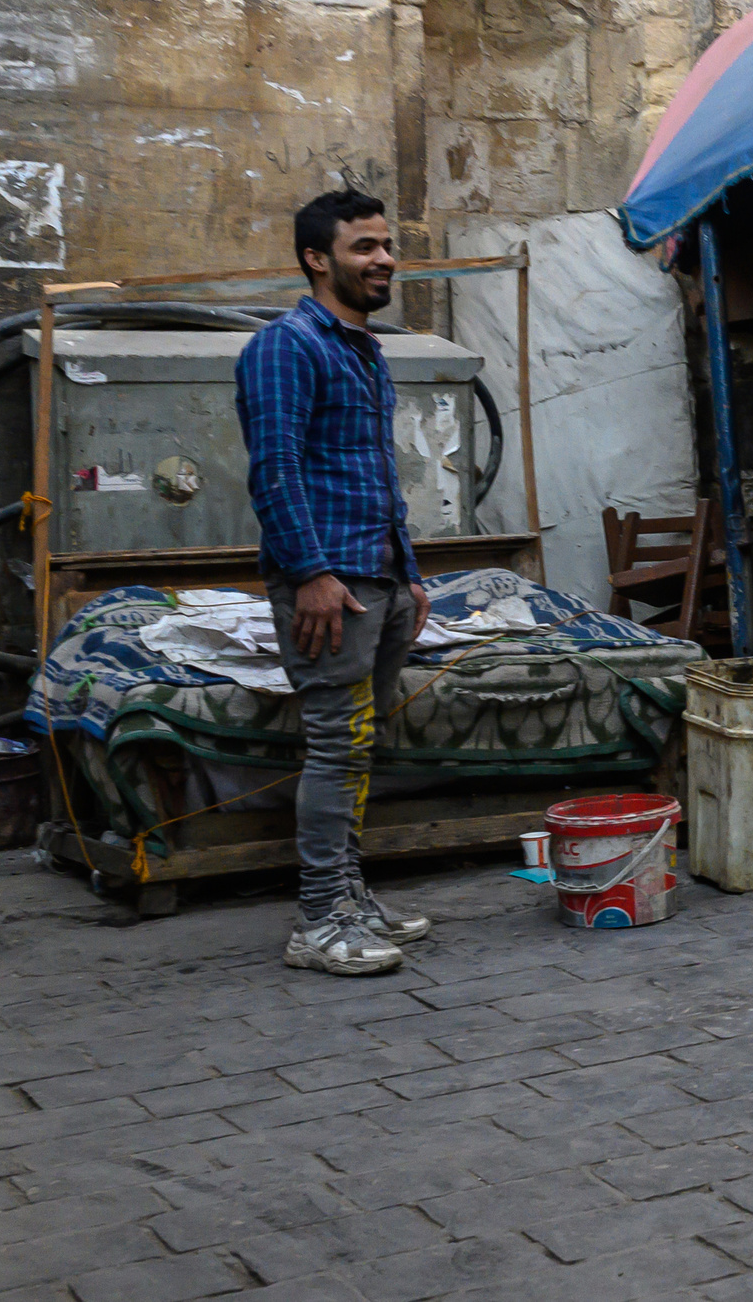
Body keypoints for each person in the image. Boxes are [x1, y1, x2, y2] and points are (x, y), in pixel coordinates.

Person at [236, 189, 435, 975]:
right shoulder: (285, 347)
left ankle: (350, 896)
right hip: (331, 584)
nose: (384, 259)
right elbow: (275, 469)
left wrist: (409, 574)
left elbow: (375, 474)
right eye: (364, 247)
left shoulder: (363, 348)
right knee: (335, 745)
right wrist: (310, 572)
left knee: (359, 745)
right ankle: (319, 919)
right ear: (317, 259)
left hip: (378, 578)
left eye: (386, 245)